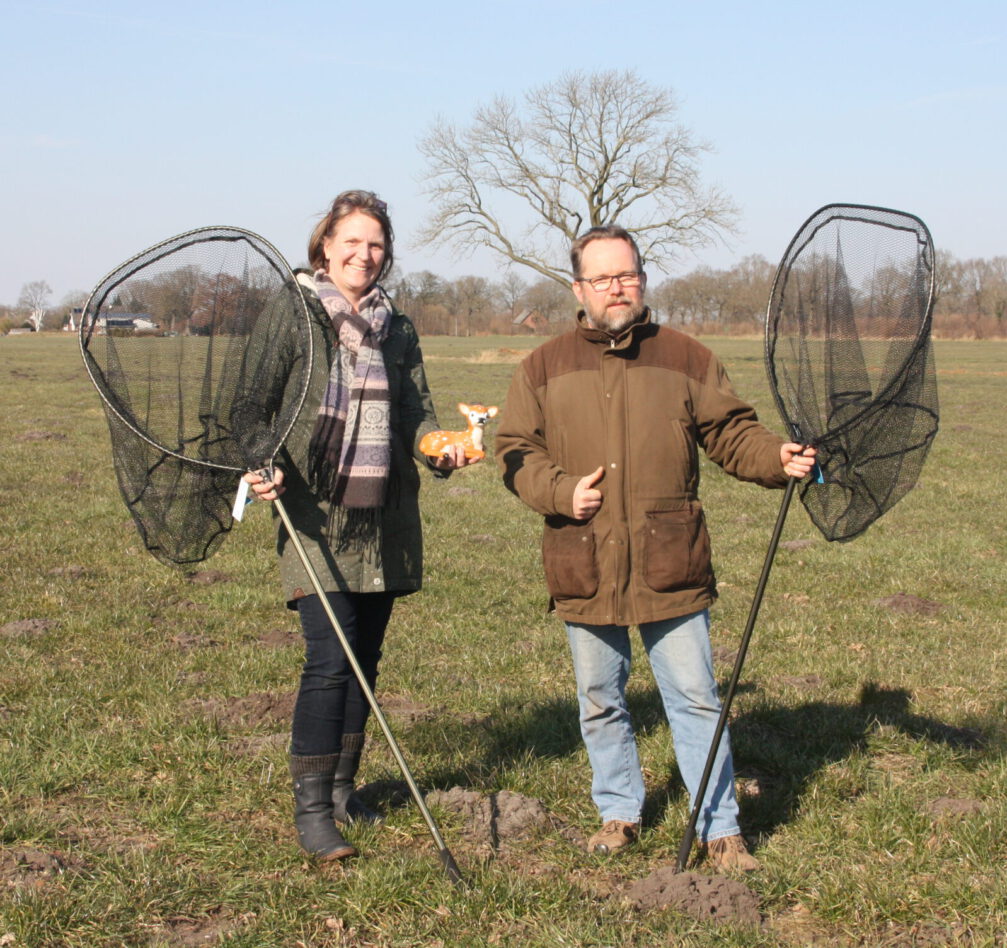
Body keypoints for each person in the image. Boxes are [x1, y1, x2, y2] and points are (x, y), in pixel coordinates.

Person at [495, 225, 816, 871]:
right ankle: (619, 811)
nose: (618, 288)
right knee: (601, 701)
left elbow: (732, 432)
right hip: (582, 561)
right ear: (579, 288)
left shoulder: (686, 357)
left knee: (696, 697)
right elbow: (512, 450)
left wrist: (776, 458)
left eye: (628, 274)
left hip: (670, 561)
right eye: (603, 278)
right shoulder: (542, 367)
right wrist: (560, 493)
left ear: (642, 279)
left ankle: (718, 826)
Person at [244, 190, 475, 862]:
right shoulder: (294, 316)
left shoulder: (397, 329)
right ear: (325, 245)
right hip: (315, 515)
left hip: (386, 518)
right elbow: (250, 409)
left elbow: (416, 412)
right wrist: (260, 462)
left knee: (365, 662)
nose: (364, 254)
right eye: (352, 241)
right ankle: (312, 810)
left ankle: (344, 789)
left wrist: (440, 447)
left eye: (376, 244)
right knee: (329, 662)